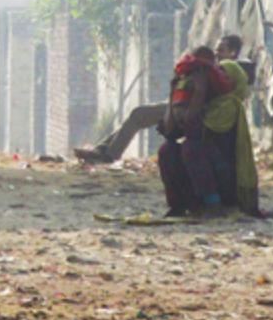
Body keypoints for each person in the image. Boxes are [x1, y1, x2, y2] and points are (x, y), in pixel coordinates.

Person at [75, 34, 248, 164]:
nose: (216, 54)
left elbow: (208, 93)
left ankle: (108, 155)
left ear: (233, 53)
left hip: (192, 110)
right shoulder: (216, 68)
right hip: (185, 104)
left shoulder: (227, 69)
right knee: (137, 116)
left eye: (221, 50)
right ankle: (103, 150)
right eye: (216, 49)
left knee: (138, 115)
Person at [156, 46, 259, 217]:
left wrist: (199, 91)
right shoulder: (207, 103)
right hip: (204, 177)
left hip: (226, 184)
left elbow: (193, 129)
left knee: (191, 148)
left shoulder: (230, 106)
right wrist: (174, 92)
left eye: (225, 75)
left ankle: (213, 204)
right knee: (167, 150)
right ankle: (178, 205)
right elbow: (171, 131)